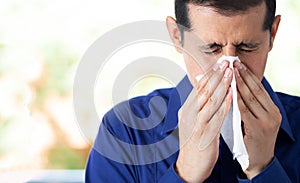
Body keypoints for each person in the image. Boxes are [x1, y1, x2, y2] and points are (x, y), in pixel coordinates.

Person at [85, 0, 300, 182]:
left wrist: (264, 169)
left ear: (272, 33)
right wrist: (185, 174)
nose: (229, 68)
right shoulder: (125, 132)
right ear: (177, 36)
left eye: (247, 47)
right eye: (211, 48)